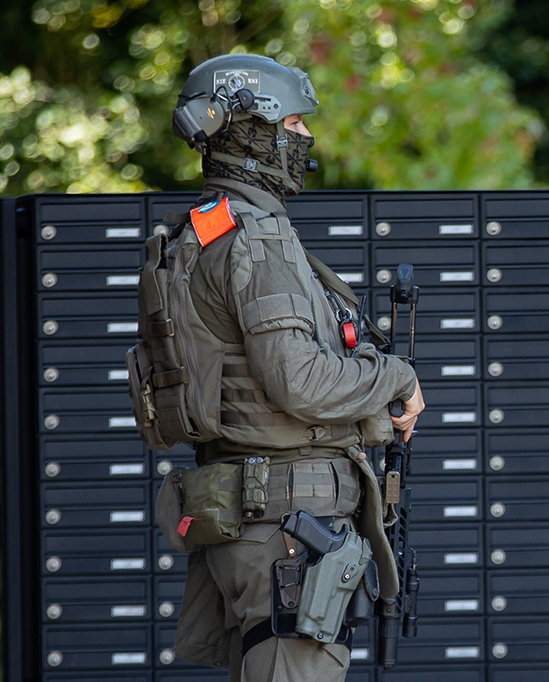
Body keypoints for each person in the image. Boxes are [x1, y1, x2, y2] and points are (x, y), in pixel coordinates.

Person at [134, 53, 425, 681]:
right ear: (247, 129)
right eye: (292, 123)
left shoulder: (197, 234)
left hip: (253, 519)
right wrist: (395, 377)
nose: (304, 137)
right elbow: (300, 382)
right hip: (285, 533)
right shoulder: (256, 240)